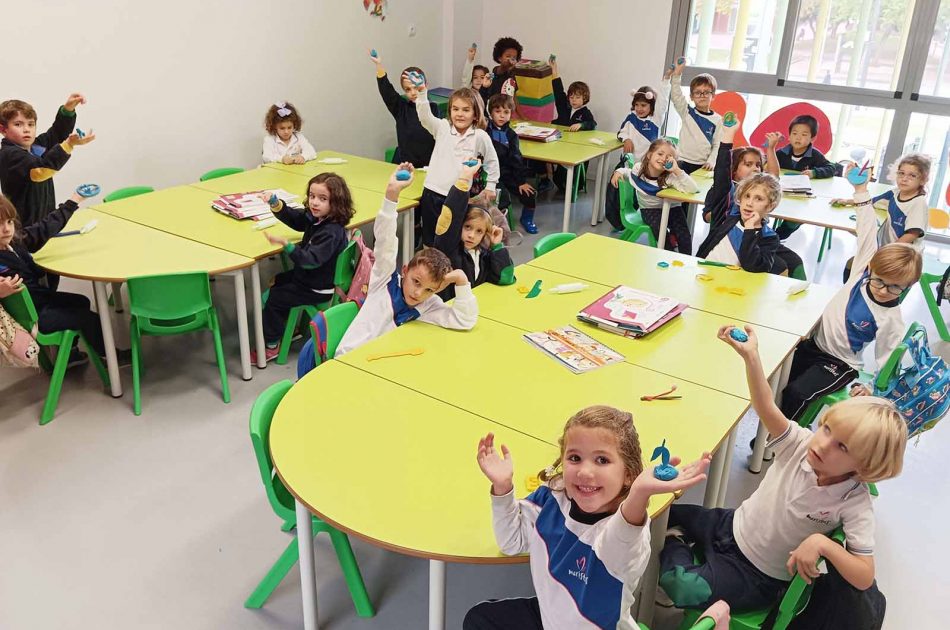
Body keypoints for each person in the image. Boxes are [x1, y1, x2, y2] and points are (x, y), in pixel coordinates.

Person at [658, 324, 906, 616]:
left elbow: (864, 576)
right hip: (731, 526)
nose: (822, 444)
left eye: (842, 447)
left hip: (757, 578)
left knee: (683, 586)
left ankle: (675, 541)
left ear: (865, 466)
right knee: (656, 515)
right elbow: (765, 405)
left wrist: (822, 544)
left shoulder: (854, 502)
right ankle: (677, 539)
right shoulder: (801, 444)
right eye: (826, 428)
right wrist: (751, 357)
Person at [464, 406, 710, 629]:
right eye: (575, 458)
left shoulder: (624, 533)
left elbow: (621, 537)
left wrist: (639, 494)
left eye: (602, 460)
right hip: (552, 619)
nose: (584, 471)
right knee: (480, 618)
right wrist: (503, 488)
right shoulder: (552, 498)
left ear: (628, 474)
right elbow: (511, 541)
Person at [779, 165, 921, 422]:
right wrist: (860, 189)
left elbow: (888, 358)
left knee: (797, 393)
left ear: (908, 285)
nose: (883, 290)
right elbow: (867, 228)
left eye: (894, 287)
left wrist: (872, 388)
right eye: (879, 281)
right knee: (774, 375)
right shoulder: (863, 269)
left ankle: (779, 440)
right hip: (813, 345)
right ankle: (774, 429)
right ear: (871, 268)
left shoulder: (891, 318)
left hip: (839, 364)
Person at [335, 165, 478, 357]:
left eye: (429, 289)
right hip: (349, 359)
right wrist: (391, 194)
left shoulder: (427, 304)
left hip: (382, 364)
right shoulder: (385, 282)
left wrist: (461, 279)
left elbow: (464, 320)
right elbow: (385, 240)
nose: (418, 293)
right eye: (416, 281)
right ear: (404, 270)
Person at [0, 192, 111, 366]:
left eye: (9, 222)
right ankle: (112, 358)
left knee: (82, 301)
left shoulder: (14, 242)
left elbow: (45, 228)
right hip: (35, 317)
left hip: (40, 302)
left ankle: (69, 353)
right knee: (89, 319)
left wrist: (74, 200)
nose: (6, 229)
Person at [253, 173, 354, 363]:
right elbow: (298, 219)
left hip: (316, 287)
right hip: (312, 278)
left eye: (322, 199)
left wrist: (288, 246)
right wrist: (275, 203)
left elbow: (310, 260)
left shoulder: (331, 232)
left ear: (337, 202)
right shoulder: (320, 218)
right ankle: (287, 328)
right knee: (277, 280)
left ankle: (271, 346)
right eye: (312, 196)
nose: (314, 202)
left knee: (273, 299)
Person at [698, 123, 804, 277]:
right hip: (705, 275)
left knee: (791, 262)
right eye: (747, 196)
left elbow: (751, 266)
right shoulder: (728, 216)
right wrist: (728, 134)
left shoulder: (770, 238)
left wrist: (749, 230)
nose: (749, 202)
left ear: (770, 206)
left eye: (758, 199)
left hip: (734, 281)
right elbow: (721, 172)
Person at [416, 83, 500, 247]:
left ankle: (449, 262)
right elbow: (425, 118)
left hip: (458, 196)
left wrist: (491, 185)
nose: (460, 114)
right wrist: (422, 94)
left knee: (452, 237)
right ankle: (430, 260)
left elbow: (492, 161)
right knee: (430, 236)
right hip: (432, 192)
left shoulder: (480, 136)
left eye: (466, 110)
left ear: (475, 115)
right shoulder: (442, 127)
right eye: (455, 109)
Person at [0, 94, 95, 227]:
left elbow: (56, 134)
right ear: (3, 129)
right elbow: (40, 170)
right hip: (23, 229)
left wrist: (67, 110)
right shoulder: (9, 154)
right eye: (18, 124)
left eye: (31, 124)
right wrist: (69, 144)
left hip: (43, 224)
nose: (26, 129)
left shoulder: (35, 147)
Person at [431, 158, 514, 300]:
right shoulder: (449, 249)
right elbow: (451, 215)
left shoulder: (483, 255)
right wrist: (464, 179)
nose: (471, 235)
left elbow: (505, 278)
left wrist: (497, 246)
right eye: (467, 227)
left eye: (479, 231)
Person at [604, 73, 672, 231]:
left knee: (638, 196)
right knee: (615, 191)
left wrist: (666, 80)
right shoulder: (631, 118)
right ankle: (618, 222)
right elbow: (621, 132)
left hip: (646, 168)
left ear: (651, 106)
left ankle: (636, 219)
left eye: (644, 105)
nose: (639, 109)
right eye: (637, 105)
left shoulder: (656, 119)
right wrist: (626, 139)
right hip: (627, 164)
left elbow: (663, 101)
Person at [610, 138, 698, 253]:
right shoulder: (638, 169)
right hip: (649, 209)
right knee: (661, 234)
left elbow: (693, 189)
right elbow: (628, 172)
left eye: (668, 157)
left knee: (684, 235)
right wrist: (619, 171)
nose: (663, 158)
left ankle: (686, 259)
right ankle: (668, 256)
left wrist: (677, 170)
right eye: (660, 154)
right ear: (649, 155)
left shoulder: (670, 177)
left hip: (672, 208)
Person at [764, 114, 835, 240]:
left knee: (795, 219)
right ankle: (766, 235)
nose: (798, 137)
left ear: (813, 138)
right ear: (789, 135)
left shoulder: (815, 155)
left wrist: (814, 172)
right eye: (794, 133)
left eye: (804, 134)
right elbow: (767, 164)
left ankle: (777, 237)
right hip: (781, 195)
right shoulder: (781, 153)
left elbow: (831, 168)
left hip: (801, 198)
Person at [369, 49, 440, 168]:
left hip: (428, 167)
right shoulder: (401, 108)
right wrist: (379, 65)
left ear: (425, 86)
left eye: (416, 87)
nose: (413, 92)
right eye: (408, 89)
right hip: (406, 166)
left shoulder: (433, 108)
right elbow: (387, 91)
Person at [485, 94, 537, 232]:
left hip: (507, 173)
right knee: (500, 197)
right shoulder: (485, 131)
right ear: (490, 113)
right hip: (489, 174)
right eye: (498, 111)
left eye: (506, 112)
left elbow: (516, 158)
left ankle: (527, 219)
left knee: (530, 193)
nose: (502, 115)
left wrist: (521, 181)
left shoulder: (512, 135)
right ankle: (497, 224)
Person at [546, 57, 597, 193]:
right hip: (561, 146)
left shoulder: (585, 113)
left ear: (585, 99)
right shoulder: (565, 107)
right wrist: (554, 70)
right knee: (557, 178)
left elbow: (592, 124)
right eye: (571, 97)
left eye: (578, 97)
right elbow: (558, 90)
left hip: (576, 150)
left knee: (572, 178)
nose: (574, 100)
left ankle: (575, 187)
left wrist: (581, 125)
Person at [669, 59, 721, 173]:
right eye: (697, 92)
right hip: (681, 161)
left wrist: (711, 161)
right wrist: (677, 75)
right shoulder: (686, 112)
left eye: (706, 92)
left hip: (703, 166)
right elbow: (676, 95)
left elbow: (717, 145)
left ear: (713, 95)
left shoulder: (718, 120)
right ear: (692, 97)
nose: (702, 95)